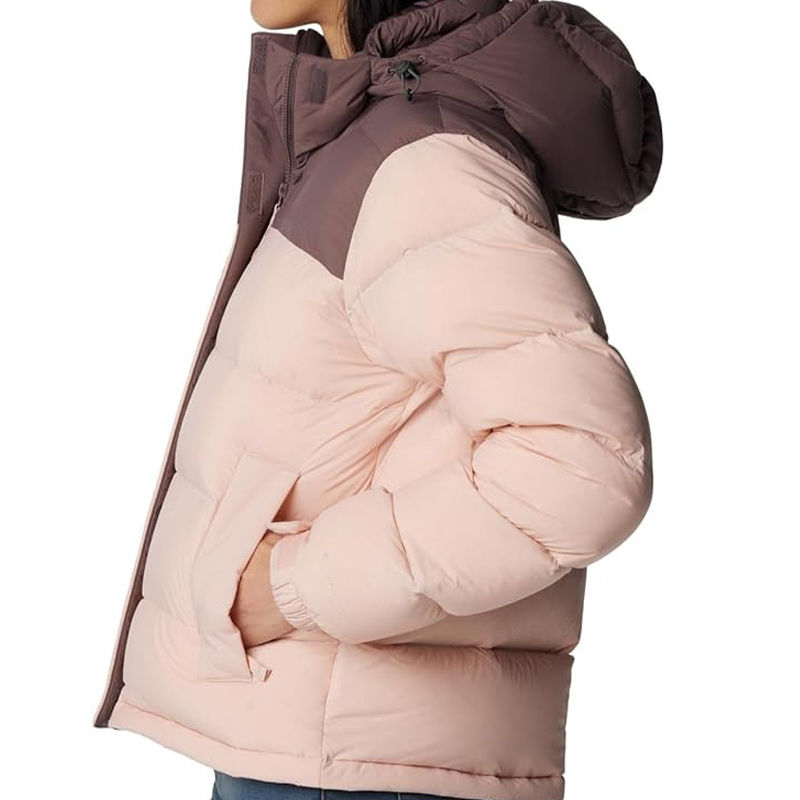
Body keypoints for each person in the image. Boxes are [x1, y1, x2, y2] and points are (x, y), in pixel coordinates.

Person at [91, 0, 663, 799]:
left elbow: (581, 467)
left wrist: (292, 584)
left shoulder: (426, 166)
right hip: (326, 742)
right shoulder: (380, 140)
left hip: (349, 761)